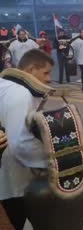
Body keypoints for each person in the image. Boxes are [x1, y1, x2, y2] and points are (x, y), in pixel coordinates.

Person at [0, 50, 53, 230]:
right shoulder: (21, 93)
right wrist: (52, 161)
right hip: (12, 182)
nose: (48, 79)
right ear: (31, 70)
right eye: (46, 72)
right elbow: (20, 143)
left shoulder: (5, 85)